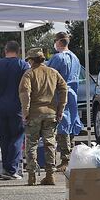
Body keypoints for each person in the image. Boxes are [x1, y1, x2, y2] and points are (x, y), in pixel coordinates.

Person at [19, 48, 67, 186]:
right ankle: (50, 175)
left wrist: (25, 111)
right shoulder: (53, 73)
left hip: (34, 113)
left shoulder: (29, 74)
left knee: (31, 144)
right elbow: (64, 89)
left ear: (32, 60)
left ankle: (32, 176)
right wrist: (61, 108)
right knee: (50, 144)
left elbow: (24, 93)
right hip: (51, 113)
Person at [0, 41, 30, 180]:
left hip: (1, 106)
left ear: (5, 50)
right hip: (17, 106)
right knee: (17, 138)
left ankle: (6, 167)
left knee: (4, 138)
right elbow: (26, 88)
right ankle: (12, 169)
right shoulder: (23, 65)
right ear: (18, 51)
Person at [46, 32, 84, 172]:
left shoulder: (58, 58)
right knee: (70, 124)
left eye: (55, 41)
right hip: (72, 93)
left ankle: (65, 159)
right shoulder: (75, 58)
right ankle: (70, 157)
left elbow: (49, 76)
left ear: (59, 42)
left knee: (62, 125)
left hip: (60, 94)